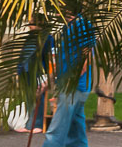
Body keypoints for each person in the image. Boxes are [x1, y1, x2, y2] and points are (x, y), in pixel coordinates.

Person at [41, 9, 97, 147]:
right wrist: (50, 79)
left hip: (74, 85)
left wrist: (71, 80)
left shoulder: (81, 25)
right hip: (71, 84)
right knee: (76, 127)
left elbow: (87, 56)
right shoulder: (66, 28)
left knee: (57, 128)